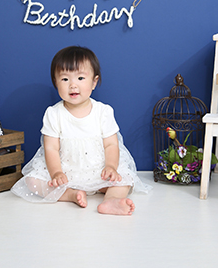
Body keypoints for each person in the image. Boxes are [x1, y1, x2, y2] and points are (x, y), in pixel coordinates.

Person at [11, 46, 152, 215]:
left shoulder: (103, 111)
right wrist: (56, 172)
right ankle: (71, 194)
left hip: (98, 169)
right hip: (66, 170)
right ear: (56, 82)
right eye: (65, 79)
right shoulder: (53, 113)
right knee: (32, 182)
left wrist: (111, 166)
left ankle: (111, 200)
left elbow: (111, 145)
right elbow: (51, 148)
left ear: (94, 82)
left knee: (125, 179)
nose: (73, 85)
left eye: (80, 78)